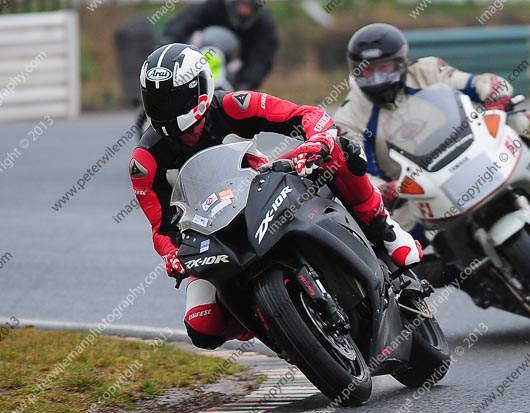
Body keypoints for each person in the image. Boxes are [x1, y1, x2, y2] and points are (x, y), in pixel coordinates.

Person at [130, 43, 422, 349]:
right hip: (211, 232)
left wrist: (317, 141)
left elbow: (305, 115)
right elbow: (161, 228)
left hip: (261, 188)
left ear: (200, 89)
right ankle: (277, 326)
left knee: (338, 151)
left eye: (176, 98)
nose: (171, 111)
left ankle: (385, 231)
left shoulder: (234, 105)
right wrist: (172, 255)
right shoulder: (144, 162)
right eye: (160, 100)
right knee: (201, 327)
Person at [333, 23, 530, 242]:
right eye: (368, 70)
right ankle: (448, 279)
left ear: (400, 61)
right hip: (415, 193)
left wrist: (494, 93)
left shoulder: (429, 70)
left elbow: (475, 82)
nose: (377, 77)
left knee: (525, 121)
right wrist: (382, 189)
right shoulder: (348, 116)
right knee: (390, 248)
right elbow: (353, 171)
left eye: (384, 68)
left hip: (471, 153)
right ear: (356, 68)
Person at [163, 0, 278, 91]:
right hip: (197, 64)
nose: (244, 11)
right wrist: (170, 40)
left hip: (235, 74)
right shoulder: (214, 6)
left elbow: (261, 57)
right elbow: (185, 22)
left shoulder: (264, 25)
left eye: (248, 7)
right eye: (242, 5)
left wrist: (246, 83)